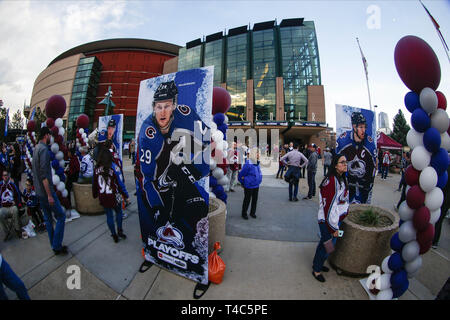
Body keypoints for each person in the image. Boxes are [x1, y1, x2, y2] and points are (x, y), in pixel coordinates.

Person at [135, 80, 210, 256]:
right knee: (169, 223)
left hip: (178, 172)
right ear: (153, 107)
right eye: (159, 107)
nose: (163, 112)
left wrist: (197, 170)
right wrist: (157, 206)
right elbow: (146, 179)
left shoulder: (186, 115)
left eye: (167, 106)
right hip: (157, 185)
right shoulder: (148, 134)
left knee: (200, 216)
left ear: (174, 105)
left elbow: (208, 144)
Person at [312, 153, 349, 282]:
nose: (345, 164)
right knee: (328, 246)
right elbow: (329, 207)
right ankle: (316, 270)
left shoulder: (341, 178)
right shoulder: (332, 180)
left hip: (334, 220)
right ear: (335, 165)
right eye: (342, 162)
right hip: (327, 221)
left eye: (346, 162)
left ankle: (318, 264)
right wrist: (333, 227)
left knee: (325, 244)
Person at [32, 126, 68, 255]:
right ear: (46, 135)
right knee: (61, 216)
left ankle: (54, 244)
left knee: (48, 219)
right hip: (46, 192)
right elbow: (43, 175)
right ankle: (57, 245)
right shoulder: (44, 150)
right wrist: (49, 195)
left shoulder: (36, 149)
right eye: (49, 135)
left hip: (39, 191)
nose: (50, 138)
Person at [336, 112, 376, 204]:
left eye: (364, 127)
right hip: (346, 183)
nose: (363, 130)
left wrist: (368, 185)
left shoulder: (370, 144)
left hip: (362, 185)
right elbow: (335, 164)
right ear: (354, 127)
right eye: (361, 127)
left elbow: (373, 167)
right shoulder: (343, 140)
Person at [93, 149, 129, 243]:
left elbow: (94, 184)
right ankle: (120, 231)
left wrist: (95, 194)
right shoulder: (114, 167)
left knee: (109, 216)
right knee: (119, 212)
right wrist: (126, 195)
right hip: (114, 195)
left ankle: (114, 235)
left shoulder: (96, 169)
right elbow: (120, 183)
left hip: (103, 196)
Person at [238, 147, 262, 219]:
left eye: (259, 153)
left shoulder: (257, 162)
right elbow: (241, 174)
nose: (258, 154)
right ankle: (244, 213)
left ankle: (252, 213)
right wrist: (243, 182)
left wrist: (259, 179)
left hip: (256, 185)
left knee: (255, 200)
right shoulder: (248, 163)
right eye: (257, 153)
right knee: (247, 200)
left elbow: (259, 172)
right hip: (249, 185)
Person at [0, 171, 24, 240]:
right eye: (4, 175)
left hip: (12, 206)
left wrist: (16, 203)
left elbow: (17, 196)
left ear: (8, 176)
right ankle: (7, 232)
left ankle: (17, 229)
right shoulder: (0, 186)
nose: (5, 176)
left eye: (6, 175)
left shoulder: (12, 185)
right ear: (2, 177)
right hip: (3, 207)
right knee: (0, 213)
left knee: (15, 210)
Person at [432, 161, 450, 249]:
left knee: (437, 219)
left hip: (442, 197)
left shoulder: (446, 168)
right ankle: (435, 241)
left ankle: (434, 240)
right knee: (439, 220)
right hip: (444, 198)